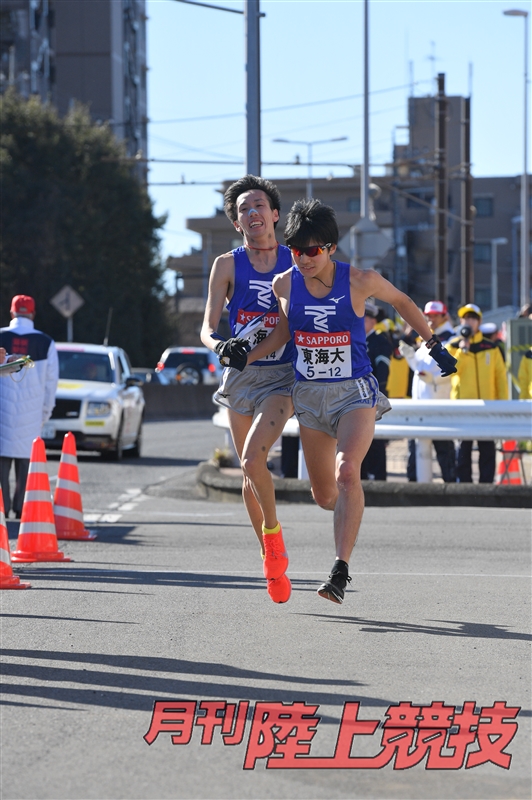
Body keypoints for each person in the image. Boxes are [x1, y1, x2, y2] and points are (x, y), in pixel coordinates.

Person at [247, 199, 457, 604]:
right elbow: (282, 335)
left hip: (354, 393)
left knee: (348, 475)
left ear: (330, 249)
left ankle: (339, 569)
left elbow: (402, 302)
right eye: (296, 250)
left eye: (312, 250)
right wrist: (246, 353)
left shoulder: (360, 280)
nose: (304, 259)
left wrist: (432, 343)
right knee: (325, 495)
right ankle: (348, 516)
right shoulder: (284, 284)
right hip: (308, 397)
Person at [200, 175, 295, 604]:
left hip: (282, 375)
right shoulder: (226, 264)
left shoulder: (298, 261)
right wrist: (219, 344)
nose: (252, 213)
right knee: (247, 469)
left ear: (275, 214)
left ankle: (273, 539)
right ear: (237, 222)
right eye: (243, 209)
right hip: (239, 375)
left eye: (259, 205)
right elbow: (205, 327)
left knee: (254, 455)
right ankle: (268, 554)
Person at [0, 295, 59, 518]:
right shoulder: (46, 342)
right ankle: (21, 506)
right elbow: (51, 383)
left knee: (1, 462)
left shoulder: (1, 336)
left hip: (2, 414)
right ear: (32, 314)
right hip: (31, 414)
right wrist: (45, 412)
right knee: (27, 462)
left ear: (12, 312)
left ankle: (1, 507)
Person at [446, 303, 508, 483]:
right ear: (461, 321)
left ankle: (486, 487)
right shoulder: (454, 346)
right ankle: (465, 488)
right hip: (462, 408)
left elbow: (500, 379)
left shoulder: (491, 347)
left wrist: (503, 406)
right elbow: (453, 370)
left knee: (487, 449)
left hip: (487, 407)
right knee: (463, 450)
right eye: (466, 318)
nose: (469, 321)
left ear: (479, 322)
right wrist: (463, 350)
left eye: (472, 318)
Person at [399, 300, 456, 483]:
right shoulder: (426, 340)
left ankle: (451, 489)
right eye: (428, 315)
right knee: (415, 453)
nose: (430, 318)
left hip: (439, 405)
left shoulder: (451, 338)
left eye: (435, 315)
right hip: (420, 404)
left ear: (444, 316)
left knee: (444, 453)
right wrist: (409, 356)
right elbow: (420, 368)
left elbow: (453, 369)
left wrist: (431, 378)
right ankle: (413, 489)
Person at [360, 301, 392, 480]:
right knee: (355, 441)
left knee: (375, 440)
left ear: (373, 321)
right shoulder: (352, 339)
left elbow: (383, 371)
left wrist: (376, 392)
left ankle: (378, 478)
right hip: (353, 397)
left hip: (373, 397)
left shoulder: (380, 341)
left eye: (364, 318)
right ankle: (361, 477)